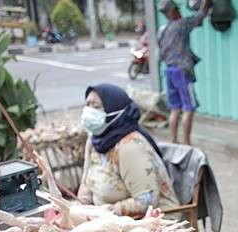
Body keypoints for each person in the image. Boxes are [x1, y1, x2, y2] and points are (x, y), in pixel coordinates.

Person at [77, 84, 179, 216]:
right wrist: (80, 207)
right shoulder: (94, 140)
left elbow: (146, 200)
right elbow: (86, 183)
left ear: (115, 110)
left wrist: (104, 212)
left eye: (96, 107)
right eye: (88, 105)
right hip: (109, 219)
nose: (89, 111)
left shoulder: (130, 146)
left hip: (152, 220)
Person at [157, 0, 211, 146]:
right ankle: (187, 143)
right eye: (177, 9)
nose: (180, 12)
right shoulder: (181, 24)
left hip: (169, 71)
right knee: (188, 109)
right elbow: (200, 16)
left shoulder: (162, 30)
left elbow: (160, 54)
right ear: (172, 12)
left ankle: (174, 141)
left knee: (175, 109)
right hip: (182, 72)